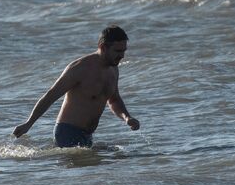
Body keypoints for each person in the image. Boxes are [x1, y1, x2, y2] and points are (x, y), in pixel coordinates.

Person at [12, 24, 140, 148]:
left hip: (87, 135)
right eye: (118, 51)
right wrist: (28, 124)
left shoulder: (113, 68)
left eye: (124, 51)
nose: (122, 56)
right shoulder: (79, 68)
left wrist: (127, 117)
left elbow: (114, 99)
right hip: (67, 133)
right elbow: (50, 96)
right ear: (103, 47)